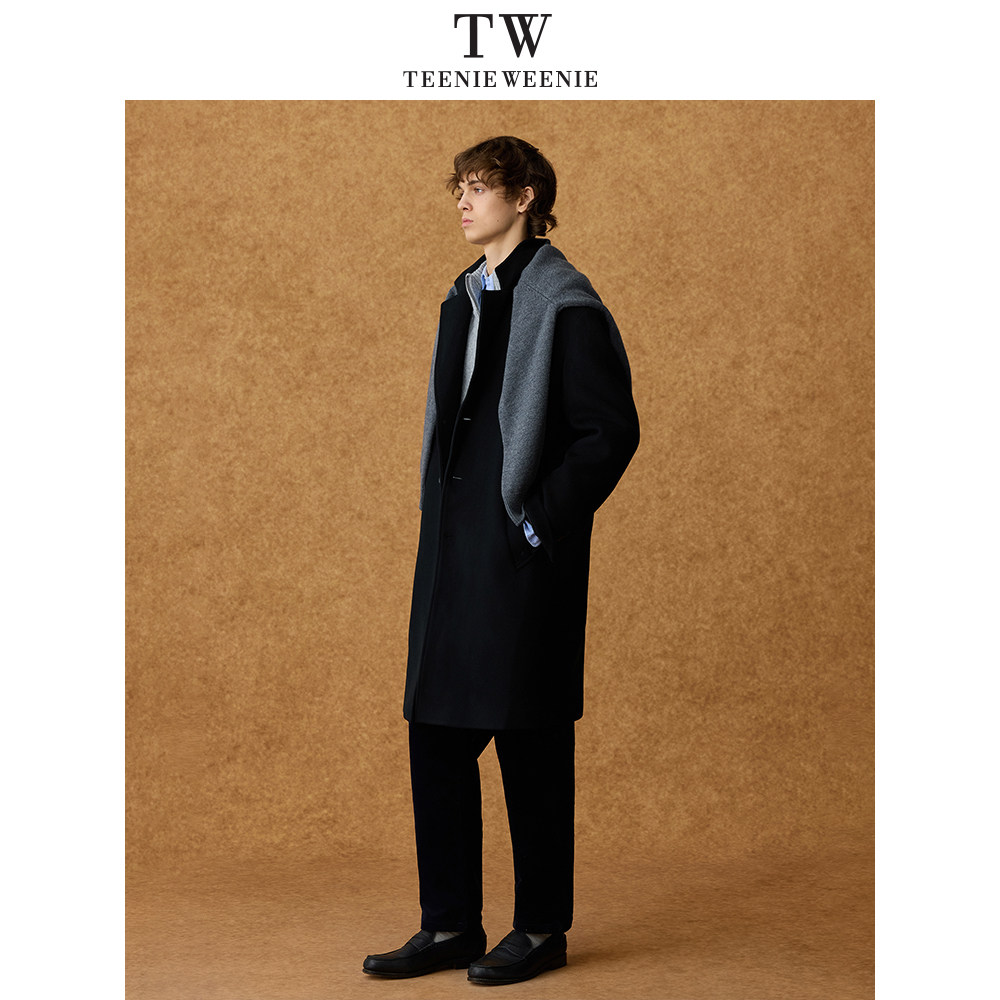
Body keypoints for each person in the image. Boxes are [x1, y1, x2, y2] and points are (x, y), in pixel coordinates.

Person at [363, 136, 640, 986]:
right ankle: (449, 924)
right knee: (437, 735)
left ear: (525, 198)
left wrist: (536, 525)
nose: (463, 200)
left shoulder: (565, 303)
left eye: (480, 187)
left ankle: (541, 928)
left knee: (530, 740)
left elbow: (609, 433)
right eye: (460, 186)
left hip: (521, 557)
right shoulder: (464, 296)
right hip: (453, 554)